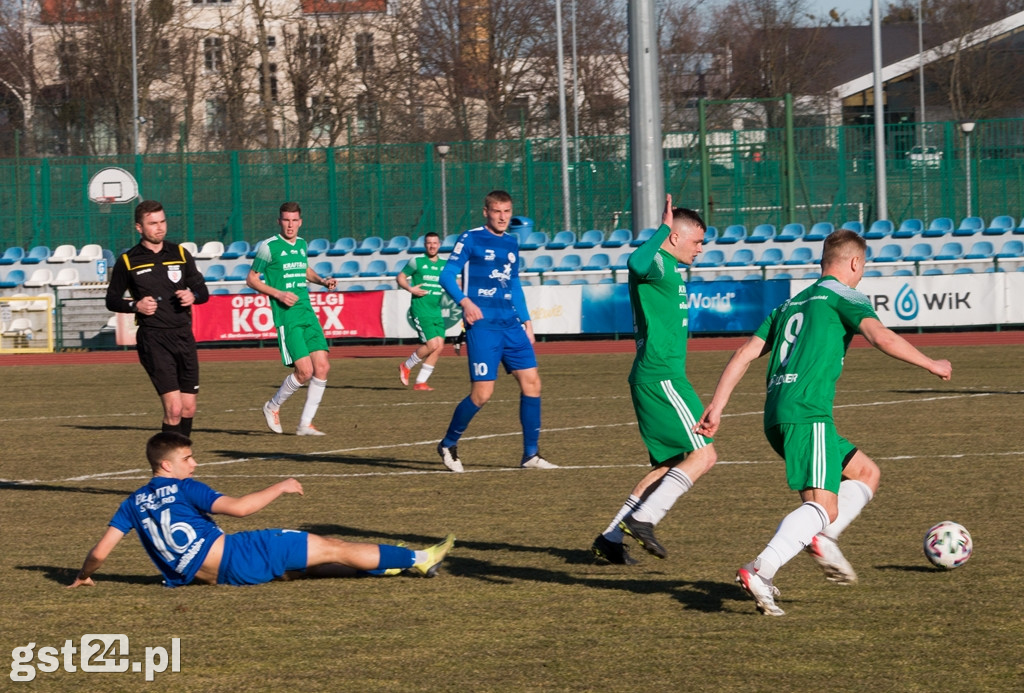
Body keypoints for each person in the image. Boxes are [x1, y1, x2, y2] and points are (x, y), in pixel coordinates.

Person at [695, 229, 952, 616]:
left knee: (865, 473)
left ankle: (823, 539)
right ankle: (760, 569)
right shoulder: (844, 296)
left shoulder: (789, 305)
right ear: (854, 263)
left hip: (778, 414)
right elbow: (880, 336)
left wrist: (717, 405)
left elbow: (743, 354)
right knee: (823, 506)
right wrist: (932, 363)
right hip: (807, 412)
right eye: (862, 267)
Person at [67, 432, 455, 588]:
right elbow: (239, 510)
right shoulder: (185, 488)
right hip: (239, 555)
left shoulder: (132, 503)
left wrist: (85, 575)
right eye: (187, 458)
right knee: (331, 545)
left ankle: (389, 568)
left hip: (213, 579)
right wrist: (280, 486)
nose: (194, 464)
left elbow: (101, 552)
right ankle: (419, 558)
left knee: (310, 566)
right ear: (166, 466)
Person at [590, 195, 717, 566]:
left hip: (659, 375)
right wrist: (661, 228)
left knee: (669, 465)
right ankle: (644, 519)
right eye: (696, 241)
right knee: (705, 454)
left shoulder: (669, 267)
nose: (701, 249)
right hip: (662, 376)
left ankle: (611, 538)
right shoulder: (657, 261)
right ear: (675, 238)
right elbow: (635, 260)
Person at [435, 190, 556, 472]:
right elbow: (446, 275)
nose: (503, 217)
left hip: (511, 325)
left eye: (507, 211)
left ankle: (530, 455)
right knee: (482, 394)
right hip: (484, 326)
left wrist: (526, 320)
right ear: (486, 212)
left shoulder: (512, 243)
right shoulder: (471, 238)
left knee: (533, 383)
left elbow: (513, 284)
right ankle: (448, 443)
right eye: (497, 211)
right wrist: (465, 303)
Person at [105, 200, 209, 436]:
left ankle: (181, 459)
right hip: (154, 339)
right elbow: (111, 299)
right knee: (173, 409)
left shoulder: (180, 253)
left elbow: (203, 292)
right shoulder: (128, 261)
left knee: (188, 408)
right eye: (153, 223)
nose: (159, 227)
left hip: (183, 335)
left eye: (162, 222)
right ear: (139, 228)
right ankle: (169, 465)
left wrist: (192, 295)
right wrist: (135, 305)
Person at [247, 202, 336, 436]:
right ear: (279, 221)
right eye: (286, 220)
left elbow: (305, 270)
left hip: (307, 312)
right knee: (304, 372)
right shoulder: (269, 246)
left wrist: (323, 281)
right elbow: (252, 279)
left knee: (323, 367)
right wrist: (278, 294)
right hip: (287, 317)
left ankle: (305, 424)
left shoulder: (302, 244)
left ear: (300, 222)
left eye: (294, 220)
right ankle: (272, 406)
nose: (290, 225)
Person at [397, 231, 445, 391]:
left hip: (436, 311)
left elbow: (453, 282)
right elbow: (400, 277)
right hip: (421, 310)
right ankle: (406, 365)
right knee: (431, 345)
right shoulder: (416, 261)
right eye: (429, 243)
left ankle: (420, 382)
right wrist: (410, 289)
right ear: (425, 245)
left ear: (439, 244)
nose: (432, 246)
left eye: (435, 243)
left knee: (439, 347)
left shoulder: (444, 264)